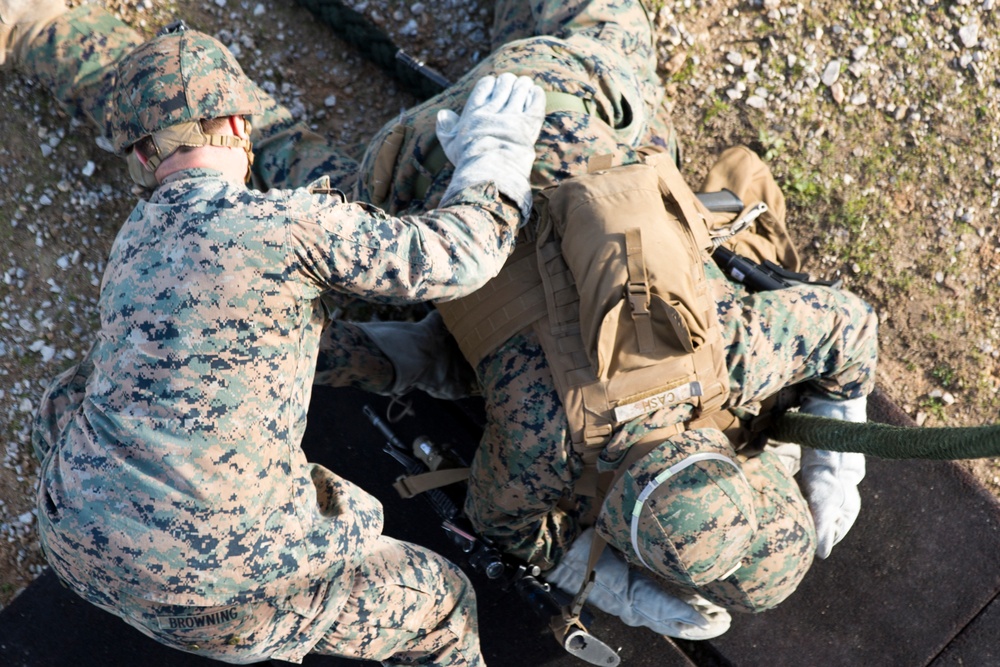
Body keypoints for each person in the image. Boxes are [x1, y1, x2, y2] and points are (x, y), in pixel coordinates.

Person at [307, 0, 877, 642]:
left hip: (562, 92)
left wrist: (835, 448)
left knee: (603, 36)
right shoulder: (540, 449)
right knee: (298, 230)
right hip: (413, 172)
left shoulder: (731, 351)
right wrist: (613, 588)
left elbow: (849, 326)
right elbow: (502, 525)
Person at [8, 1, 546, 665]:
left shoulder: (132, 242)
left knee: (84, 387)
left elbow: (232, 351)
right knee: (441, 606)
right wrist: (494, 163)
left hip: (74, 539)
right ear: (239, 124)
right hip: (221, 589)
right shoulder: (290, 226)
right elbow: (458, 258)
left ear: (141, 157)